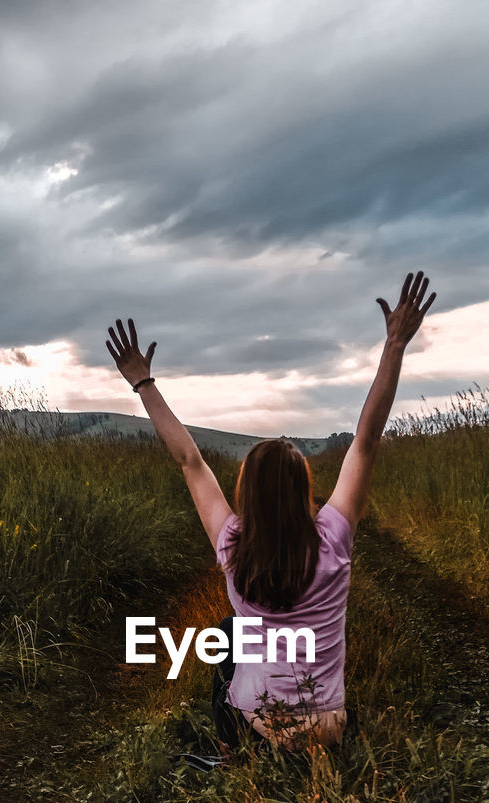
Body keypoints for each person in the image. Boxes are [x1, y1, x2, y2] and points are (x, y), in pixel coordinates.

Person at [105, 270, 436, 753]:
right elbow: (365, 441)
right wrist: (395, 345)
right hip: (329, 730)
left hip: (262, 731)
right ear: (304, 489)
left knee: (226, 637)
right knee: (236, 633)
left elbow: (190, 461)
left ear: (248, 495)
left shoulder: (234, 545)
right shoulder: (332, 539)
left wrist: (143, 383)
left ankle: (229, 749)